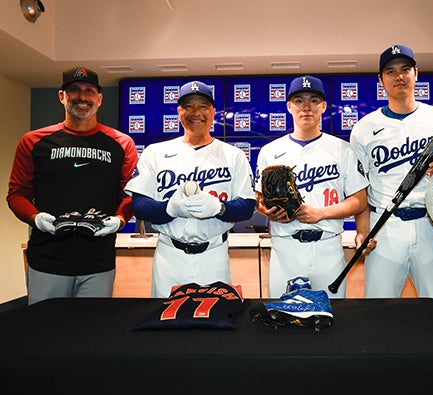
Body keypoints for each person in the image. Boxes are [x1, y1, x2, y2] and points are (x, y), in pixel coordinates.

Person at [350, 44, 433, 305]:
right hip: (384, 226)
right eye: (391, 71)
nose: (399, 76)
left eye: (406, 69)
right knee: (378, 312)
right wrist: (363, 231)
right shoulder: (364, 128)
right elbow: (359, 189)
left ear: (416, 73)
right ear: (381, 80)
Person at [6, 66, 138, 305]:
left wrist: (119, 219)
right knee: (45, 331)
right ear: (61, 96)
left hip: (98, 260)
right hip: (47, 257)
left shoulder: (122, 143)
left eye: (89, 91)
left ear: (99, 98)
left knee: (91, 334)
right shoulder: (34, 141)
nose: (82, 97)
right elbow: (16, 193)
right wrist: (35, 218)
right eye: (74, 90)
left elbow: (130, 194)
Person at [124, 80, 256, 298]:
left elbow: (247, 207)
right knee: (166, 325)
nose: (196, 112)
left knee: (214, 322)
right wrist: (169, 209)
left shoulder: (233, 155)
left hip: (214, 255)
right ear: (179, 112)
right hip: (169, 256)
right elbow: (139, 206)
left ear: (213, 112)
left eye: (203, 106)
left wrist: (219, 208)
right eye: (188, 106)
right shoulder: (155, 152)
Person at [255, 75, 369, 298]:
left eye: (314, 100)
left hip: (327, 246)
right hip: (285, 246)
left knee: (332, 318)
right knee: (283, 317)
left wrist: (320, 213)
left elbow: (360, 200)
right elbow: (259, 200)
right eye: (299, 100)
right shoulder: (270, 151)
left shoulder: (342, 150)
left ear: (324, 106)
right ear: (289, 106)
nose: (306, 106)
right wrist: (266, 210)